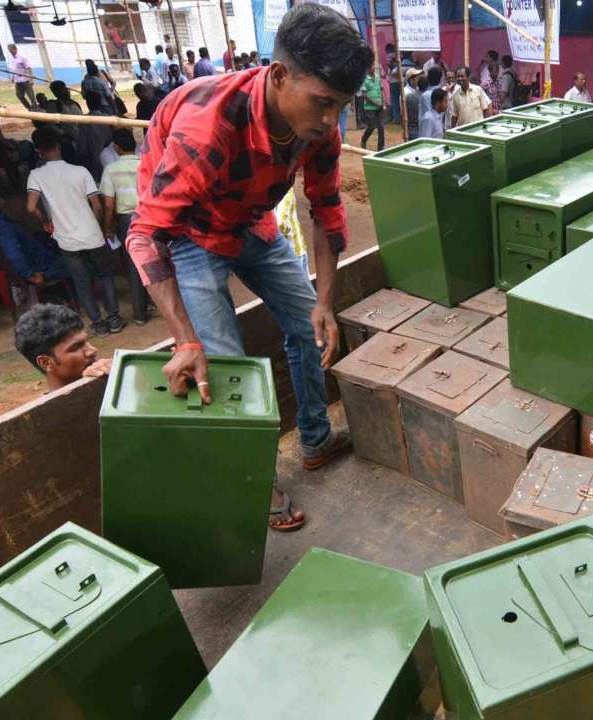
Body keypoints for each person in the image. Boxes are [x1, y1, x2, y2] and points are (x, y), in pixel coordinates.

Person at [125, 3, 369, 531]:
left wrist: (325, 301)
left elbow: (325, 211)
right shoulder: (207, 127)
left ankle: (315, 438)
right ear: (280, 76)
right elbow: (146, 235)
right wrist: (185, 341)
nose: (330, 122)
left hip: (250, 222)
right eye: (323, 102)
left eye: (342, 106)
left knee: (311, 325)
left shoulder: (320, 129)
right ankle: (257, 482)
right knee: (223, 363)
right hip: (189, 236)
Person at [26, 126, 123, 335]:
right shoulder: (80, 171)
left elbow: (31, 207)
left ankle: (98, 325)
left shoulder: (36, 175)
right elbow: (97, 205)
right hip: (92, 234)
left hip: (66, 239)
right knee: (105, 275)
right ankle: (114, 320)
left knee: (82, 282)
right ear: (58, 147)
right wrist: (99, 226)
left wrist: (45, 221)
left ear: (39, 152)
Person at [99, 129, 150, 325]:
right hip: (149, 215)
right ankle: (159, 303)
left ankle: (140, 314)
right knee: (157, 260)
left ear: (117, 148)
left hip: (128, 221)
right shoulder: (145, 163)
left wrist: (108, 226)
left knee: (134, 265)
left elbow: (109, 204)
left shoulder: (111, 169)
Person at [16, 303, 113, 391]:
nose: (92, 350)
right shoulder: (52, 410)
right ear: (46, 362)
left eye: (86, 342)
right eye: (75, 347)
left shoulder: (110, 379)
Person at [359, 63, 384, 151]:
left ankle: (381, 147)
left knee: (381, 126)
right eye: (370, 66)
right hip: (369, 107)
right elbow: (364, 95)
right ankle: (363, 140)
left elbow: (381, 90)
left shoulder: (378, 78)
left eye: (373, 66)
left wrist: (383, 102)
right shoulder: (365, 79)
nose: (372, 68)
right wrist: (375, 103)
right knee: (372, 126)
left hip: (379, 106)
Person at [7, 44, 37, 110]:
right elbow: (14, 69)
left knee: (31, 97)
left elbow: (28, 68)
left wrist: (31, 79)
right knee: (19, 95)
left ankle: (36, 110)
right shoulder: (11, 59)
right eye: (9, 51)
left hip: (25, 80)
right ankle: (29, 108)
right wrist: (13, 77)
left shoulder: (22, 58)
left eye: (12, 50)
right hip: (18, 81)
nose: (11, 52)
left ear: (15, 49)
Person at [403, 68, 423, 140]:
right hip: (412, 127)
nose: (419, 79)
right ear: (411, 80)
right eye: (417, 77)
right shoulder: (405, 93)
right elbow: (403, 114)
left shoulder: (419, 90)